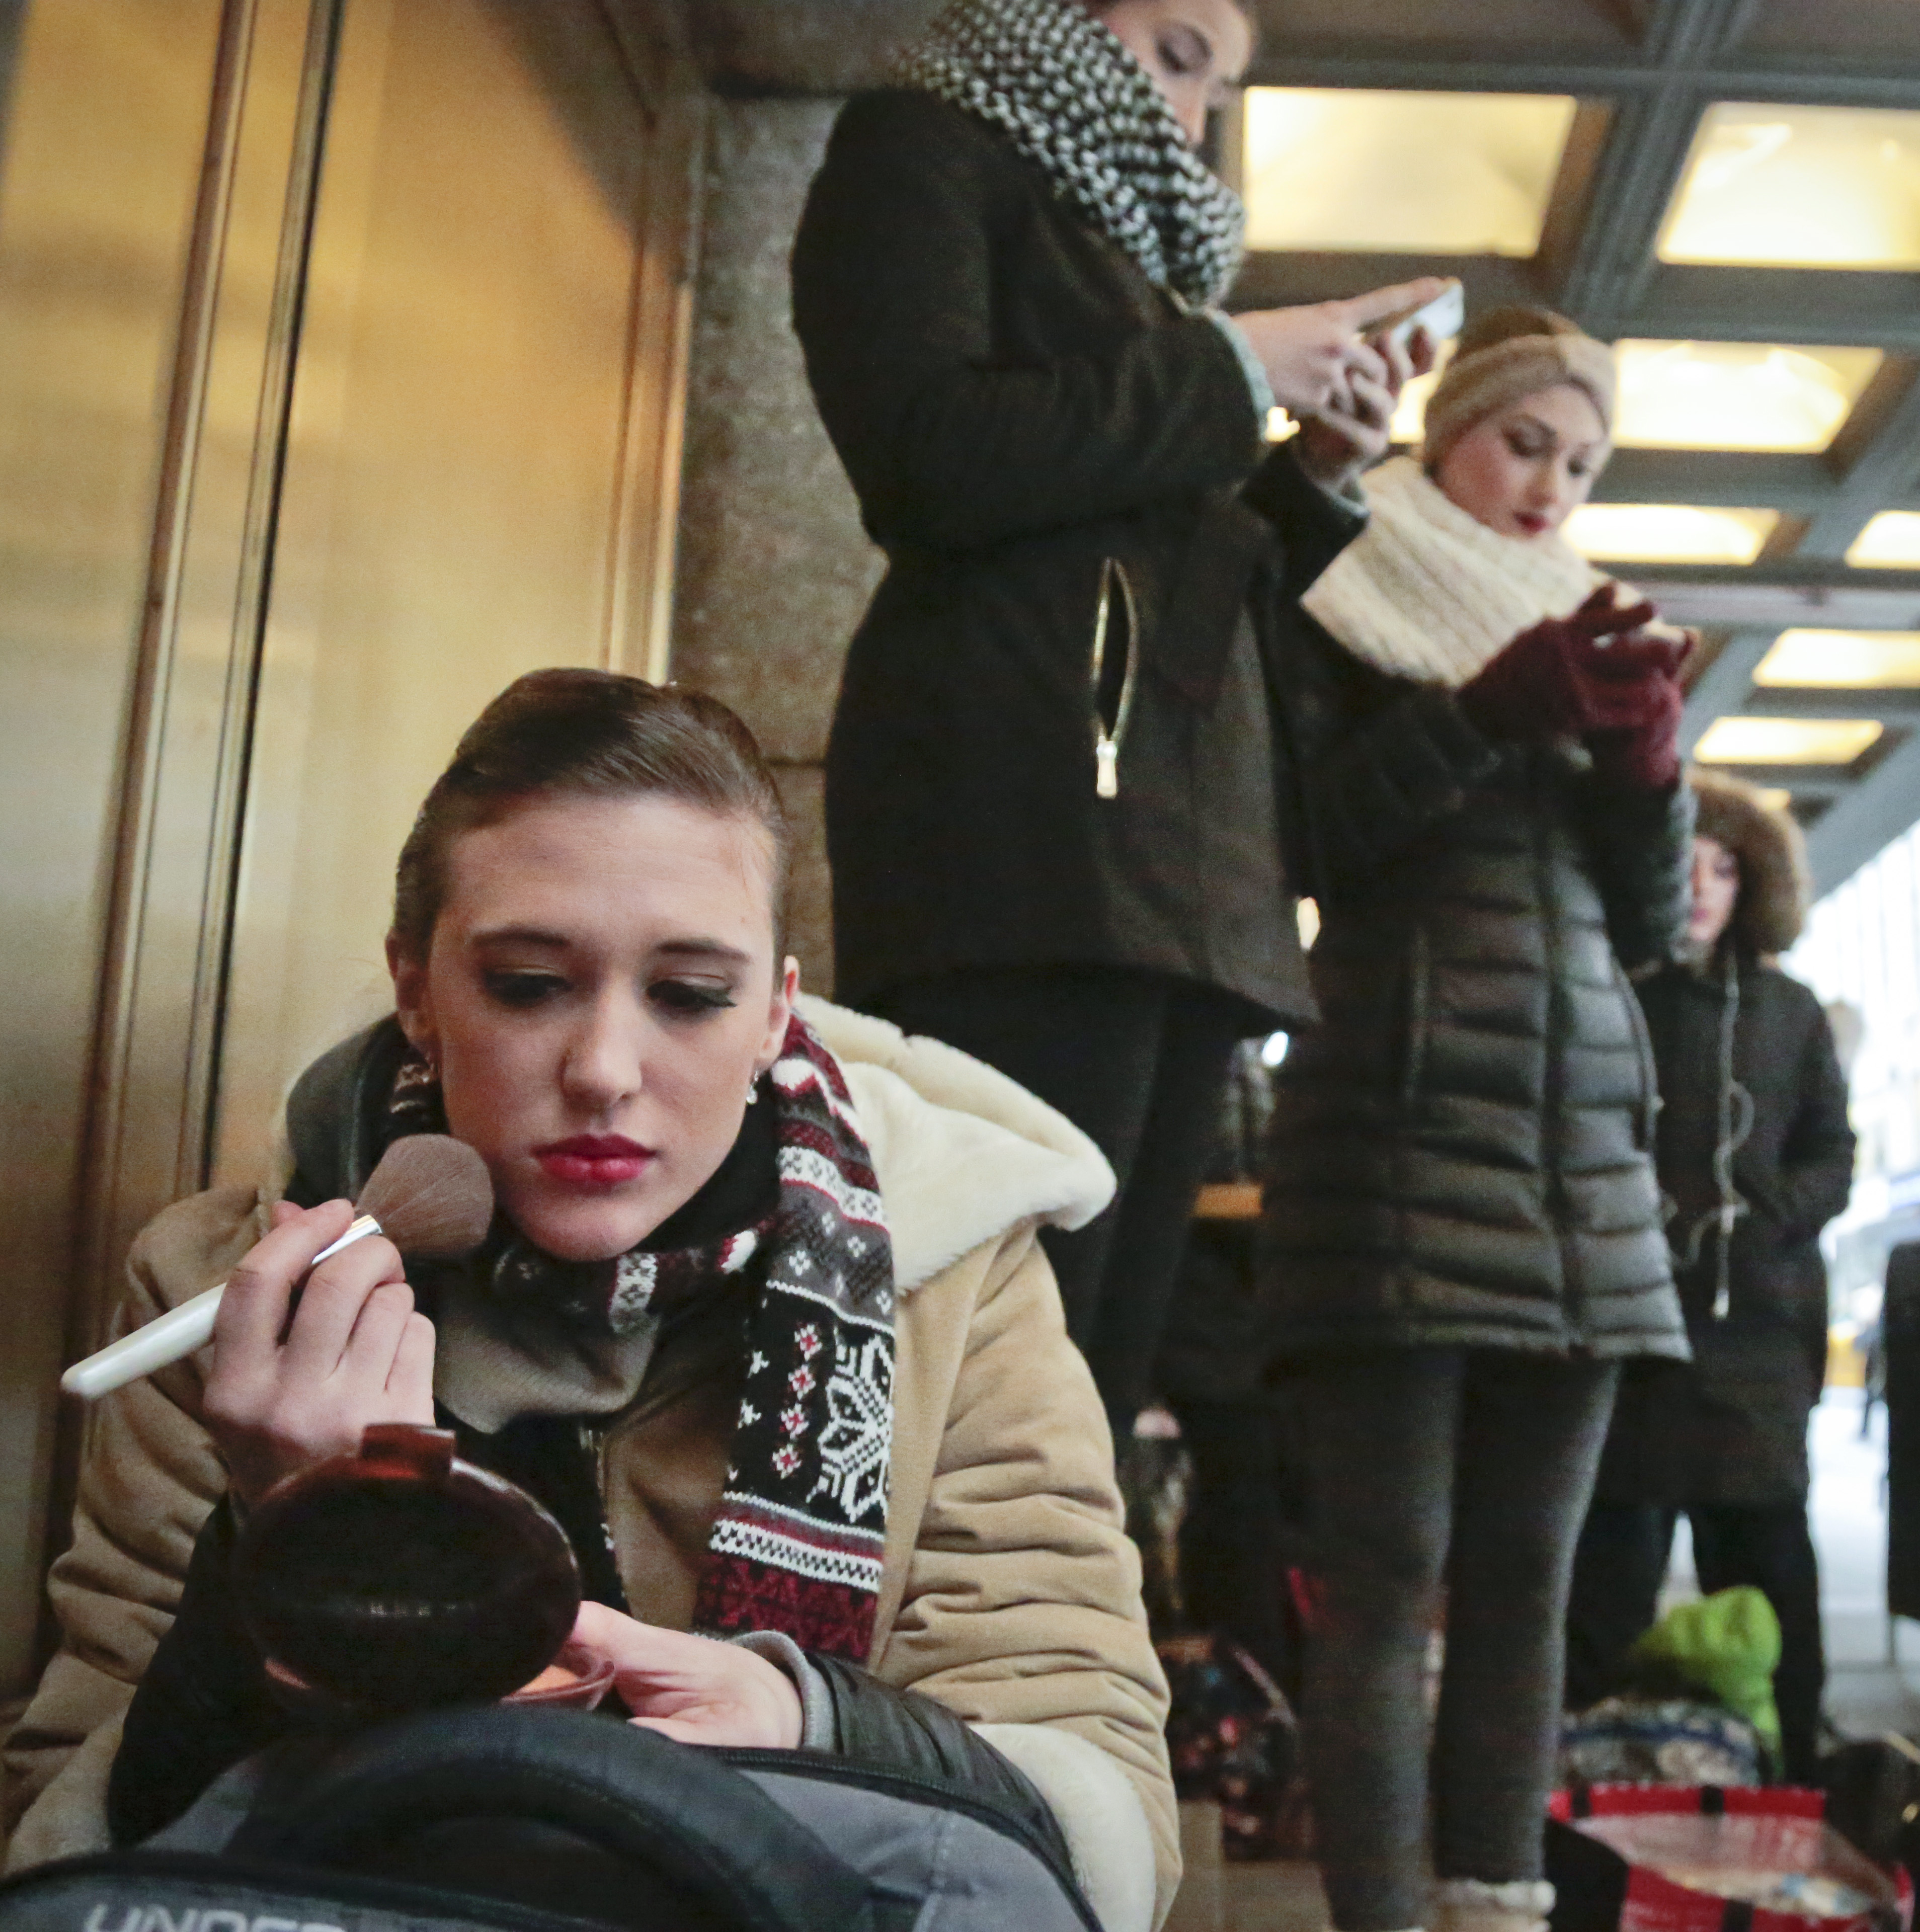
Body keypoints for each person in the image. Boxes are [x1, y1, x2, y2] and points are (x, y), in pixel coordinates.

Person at [4, 671, 1180, 1932]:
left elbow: (1090, 1795)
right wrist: (288, 1546)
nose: (606, 1071)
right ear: (417, 989)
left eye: (691, 995)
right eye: (528, 983)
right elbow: (89, 1837)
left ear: (774, 1013)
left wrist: (808, 1721)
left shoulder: (950, 1273)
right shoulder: (228, 1297)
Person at [789, 0, 1448, 1437]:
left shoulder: (1147, 273)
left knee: (1094, 1370)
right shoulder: (924, 144)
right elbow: (922, 453)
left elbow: (1174, 586)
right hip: (1025, 830)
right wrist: (1233, 370)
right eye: (1178, 51)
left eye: (1220, 85)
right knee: (998, 1349)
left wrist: (1312, 476)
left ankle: (1049, 1593)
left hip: (1178, 866)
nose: (1193, 115)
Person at [1257, 306, 1695, 1932]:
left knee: (1530, 1581)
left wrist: (1650, 776)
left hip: (1583, 1162)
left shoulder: (1580, 623)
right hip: (1394, 1129)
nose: (1550, 487)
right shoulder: (1342, 573)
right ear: (1449, 434)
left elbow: (1646, 927)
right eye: (1524, 443)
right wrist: (1480, 713)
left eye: (1581, 463)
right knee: (1382, 1581)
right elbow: (1307, 842)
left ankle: (1499, 1908)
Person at [1567, 770, 1855, 1784]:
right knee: (1609, 1579)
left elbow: (1833, 1151)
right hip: (1636, 1336)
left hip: (1759, 1343)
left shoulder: (1791, 1011)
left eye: (1725, 867)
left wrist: (1772, 1219)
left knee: (1770, 1577)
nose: (1700, 886)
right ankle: (1590, 1779)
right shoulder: (1612, 997)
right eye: (1684, 862)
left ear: (1754, 885)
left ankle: (1795, 1781)